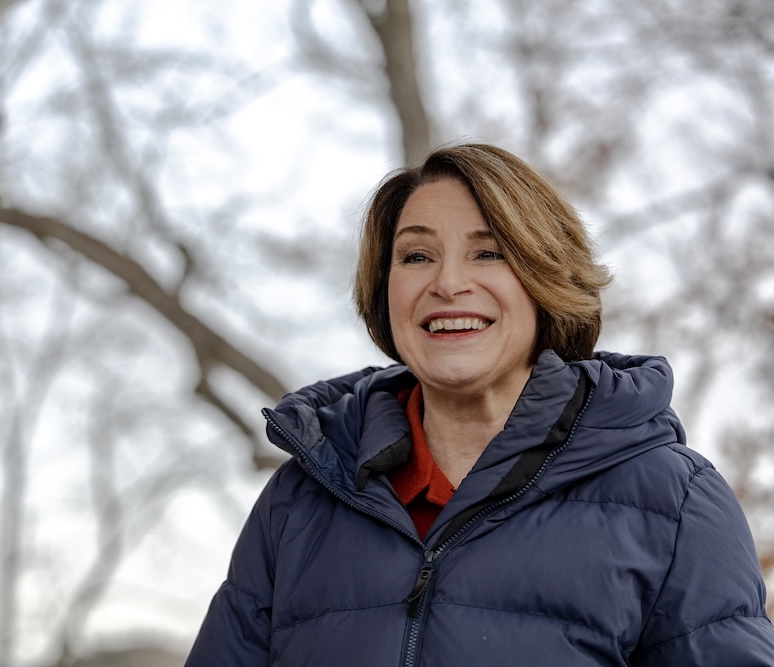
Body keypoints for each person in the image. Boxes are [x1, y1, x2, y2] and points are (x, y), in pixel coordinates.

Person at [185, 143, 774, 666]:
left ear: (546, 280)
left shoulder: (676, 504)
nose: (447, 283)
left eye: (488, 253)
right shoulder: (298, 503)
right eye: (416, 257)